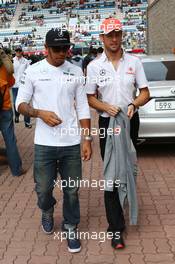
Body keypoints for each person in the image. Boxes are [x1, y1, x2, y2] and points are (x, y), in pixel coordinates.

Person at [16, 28, 92, 253]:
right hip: (44, 144)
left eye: (65, 48)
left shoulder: (76, 71)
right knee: (43, 189)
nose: (61, 53)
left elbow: (84, 106)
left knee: (71, 190)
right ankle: (47, 211)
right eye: (56, 48)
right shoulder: (33, 71)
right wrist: (40, 113)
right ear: (46, 49)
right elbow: (20, 104)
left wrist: (87, 138)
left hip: (70, 143)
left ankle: (70, 226)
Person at [85, 18, 150, 249]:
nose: (114, 39)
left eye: (117, 34)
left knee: (129, 168)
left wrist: (134, 104)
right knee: (111, 171)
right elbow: (90, 97)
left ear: (122, 36)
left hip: (130, 120)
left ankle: (126, 198)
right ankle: (115, 227)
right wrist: (105, 107)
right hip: (107, 123)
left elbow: (145, 92)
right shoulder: (94, 66)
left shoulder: (134, 61)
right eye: (109, 35)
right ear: (101, 38)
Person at [0, 46, 25, 177]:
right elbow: (11, 83)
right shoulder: (5, 68)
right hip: (5, 109)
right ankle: (16, 169)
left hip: (5, 109)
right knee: (10, 140)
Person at [12, 46, 32, 128]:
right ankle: (16, 116)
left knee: (26, 103)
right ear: (15, 51)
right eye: (17, 50)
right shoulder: (11, 61)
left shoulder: (26, 61)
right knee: (15, 103)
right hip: (15, 85)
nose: (18, 52)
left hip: (24, 86)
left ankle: (27, 122)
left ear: (22, 51)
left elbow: (29, 73)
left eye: (19, 50)